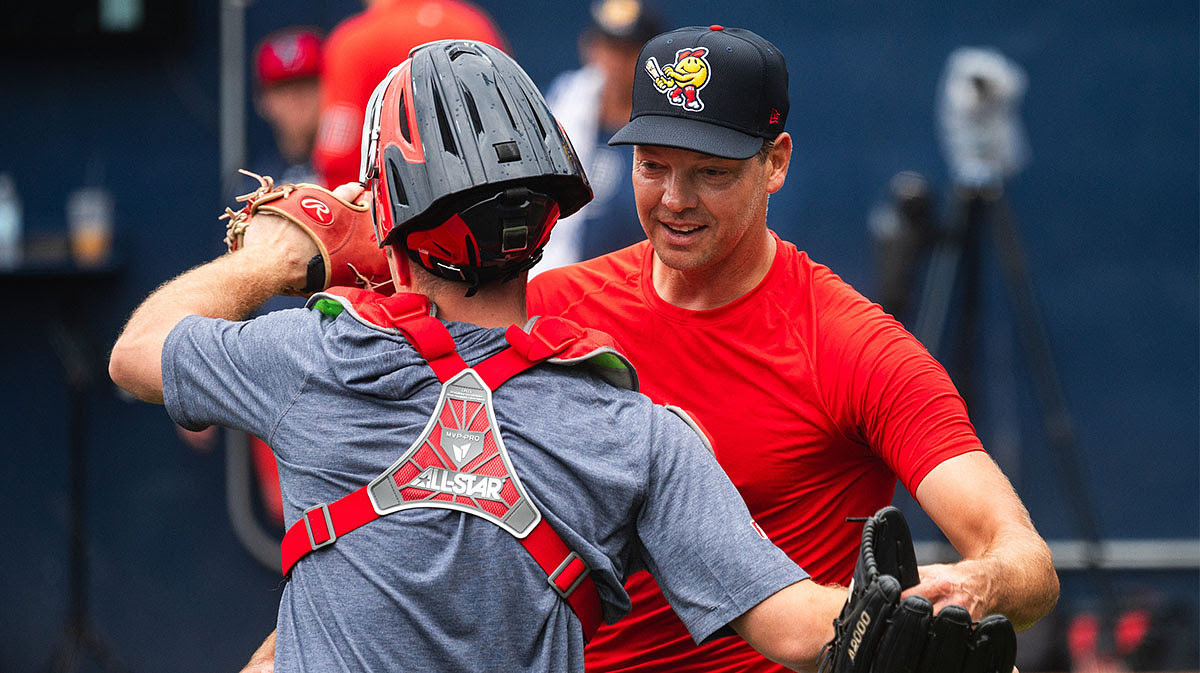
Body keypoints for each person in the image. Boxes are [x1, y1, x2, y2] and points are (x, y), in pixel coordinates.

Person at [109, 40, 855, 672]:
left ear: (390, 228)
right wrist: (934, 594)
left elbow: (136, 352)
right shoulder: (637, 432)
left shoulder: (313, 359)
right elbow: (797, 629)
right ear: (545, 216)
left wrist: (270, 261)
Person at [527, 25, 1060, 672]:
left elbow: (1026, 560)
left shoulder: (855, 348)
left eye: (711, 173)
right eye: (652, 165)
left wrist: (967, 588)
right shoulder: (546, 309)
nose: (674, 199)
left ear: (775, 162)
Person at [312, 0, 508, 187]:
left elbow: (338, 161)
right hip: (488, 202)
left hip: (399, 212)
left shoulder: (354, 42)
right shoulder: (472, 24)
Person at [534, 0, 664, 273]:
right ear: (588, 46)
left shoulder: (667, 132)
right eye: (606, 48)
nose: (613, 62)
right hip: (557, 284)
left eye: (627, 52)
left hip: (634, 287)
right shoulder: (553, 110)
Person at [251, 27, 325, 185]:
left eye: (308, 83)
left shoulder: (360, 169)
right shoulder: (254, 186)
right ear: (263, 101)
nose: (297, 98)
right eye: (284, 88)